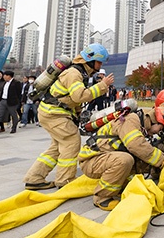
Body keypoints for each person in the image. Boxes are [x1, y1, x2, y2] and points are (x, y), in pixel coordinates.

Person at [23, 43, 113, 190]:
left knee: (58, 146)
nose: (100, 65)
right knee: (71, 141)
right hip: (54, 114)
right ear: (91, 60)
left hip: (52, 112)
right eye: (99, 61)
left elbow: (71, 98)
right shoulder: (74, 73)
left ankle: (34, 178)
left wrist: (77, 115)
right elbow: (79, 96)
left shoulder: (79, 73)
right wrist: (102, 85)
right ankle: (65, 180)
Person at [78, 106, 164, 210]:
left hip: (104, 157)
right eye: (161, 129)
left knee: (136, 158)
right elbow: (136, 145)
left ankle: (121, 188)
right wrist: (162, 161)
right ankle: (101, 198)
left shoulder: (140, 124)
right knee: (125, 160)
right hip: (91, 160)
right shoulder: (131, 120)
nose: (158, 133)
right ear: (156, 121)